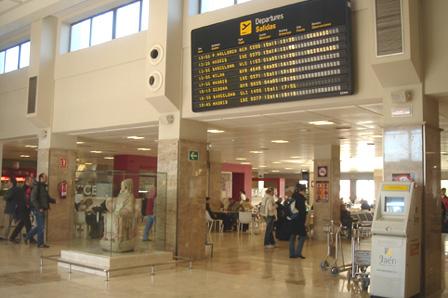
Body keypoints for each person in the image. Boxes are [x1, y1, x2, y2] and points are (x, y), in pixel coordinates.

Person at [25, 173, 56, 248]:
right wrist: (39, 207)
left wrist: (53, 201)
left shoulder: (43, 187)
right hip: (38, 209)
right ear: (41, 178)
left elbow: (46, 198)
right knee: (41, 227)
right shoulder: (37, 186)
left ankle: (27, 237)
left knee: (39, 226)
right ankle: (40, 243)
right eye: (45, 177)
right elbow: (33, 199)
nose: (46, 179)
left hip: (43, 209)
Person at [9, 176, 33, 243]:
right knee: (28, 224)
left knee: (21, 224)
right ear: (27, 181)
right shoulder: (24, 188)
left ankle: (12, 237)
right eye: (31, 180)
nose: (32, 181)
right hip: (23, 208)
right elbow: (25, 199)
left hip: (25, 208)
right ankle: (30, 239)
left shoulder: (28, 188)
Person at [289, 184, 307, 259]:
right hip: (299, 221)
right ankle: (298, 253)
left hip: (292, 219)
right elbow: (302, 211)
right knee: (303, 236)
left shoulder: (293, 197)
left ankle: (292, 253)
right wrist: (304, 221)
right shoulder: (301, 198)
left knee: (292, 236)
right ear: (302, 190)